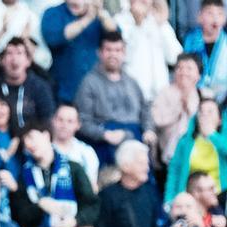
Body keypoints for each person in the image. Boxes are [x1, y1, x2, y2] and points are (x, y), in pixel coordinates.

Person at [12, 122, 100, 227]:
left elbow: (91, 204)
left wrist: (76, 221)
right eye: (25, 141)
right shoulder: (24, 174)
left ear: (46, 135)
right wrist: (40, 206)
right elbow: (21, 214)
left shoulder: (73, 168)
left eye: (31, 137)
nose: (28, 144)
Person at [73, 30, 156, 166]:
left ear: (124, 53)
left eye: (117, 50)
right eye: (108, 50)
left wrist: (148, 130)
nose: (113, 54)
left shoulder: (132, 82)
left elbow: (145, 111)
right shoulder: (89, 83)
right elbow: (82, 121)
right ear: (99, 52)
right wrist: (104, 134)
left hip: (135, 138)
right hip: (106, 141)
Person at [98, 140, 162, 227]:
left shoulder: (150, 192)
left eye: (147, 163)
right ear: (126, 166)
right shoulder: (107, 195)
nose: (147, 168)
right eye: (142, 163)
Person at [41, 0, 117, 105]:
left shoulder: (97, 14)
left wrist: (102, 14)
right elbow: (54, 38)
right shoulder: (53, 13)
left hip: (95, 94)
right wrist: (88, 18)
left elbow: (116, 37)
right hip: (62, 94)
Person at [0, 38, 56, 136]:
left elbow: (47, 121)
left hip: (31, 143)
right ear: (2, 61)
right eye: (9, 53)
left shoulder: (40, 88)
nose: (14, 59)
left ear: (28, 61)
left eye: (19, 53)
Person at [116, 0, 182, 103]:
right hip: (132, 95)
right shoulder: (120, 21)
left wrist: (162, 24)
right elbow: (123, 57)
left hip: (160, 96)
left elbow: (175, 57)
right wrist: (138, 25)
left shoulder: (158, 20)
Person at [165, 98, 227, 205]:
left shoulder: (223, 139)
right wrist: (169, 199)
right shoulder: (186, 142)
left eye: (210, 111)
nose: (205, 115)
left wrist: (212, 135)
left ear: (220, 119)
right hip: (191, 198)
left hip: (219, 198)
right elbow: (174, 171)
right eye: (201, 111)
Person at [154, 54, 207, 166]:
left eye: (189, 68)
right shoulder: (164, 93)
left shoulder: (205, 95)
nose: (183, 72)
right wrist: (178, 109)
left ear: (198, 75)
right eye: (179, 68)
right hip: (168, 155)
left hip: (198, 154)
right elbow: (157, 120)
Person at [51, 104, 101, 194]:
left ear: (78, 125)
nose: (64, 125)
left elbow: (91, 188)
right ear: (53, 121)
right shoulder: (42, 149)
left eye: (70, 121)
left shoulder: (87, 152)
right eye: (60, 120)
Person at [184, 0, 227, 103]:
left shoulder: (225, 42)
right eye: (210, 13)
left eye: (220, 14)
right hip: (194, 95)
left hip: (222, 98)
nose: (215, 18)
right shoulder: (190, 40)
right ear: (199, 17)